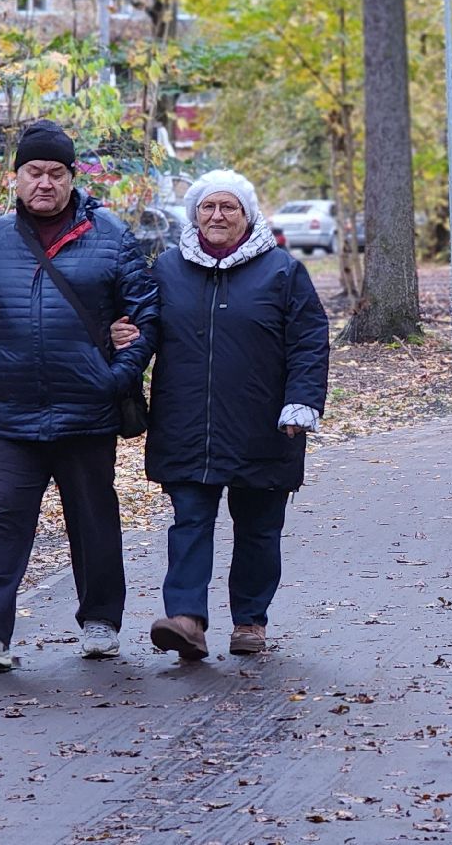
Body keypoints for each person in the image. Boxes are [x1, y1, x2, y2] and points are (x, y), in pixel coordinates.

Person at [0, 120, 160, 671]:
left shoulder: (110, 235)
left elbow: (148, 316)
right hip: (13, 415)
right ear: (17, 178)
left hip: (87, 412)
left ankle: (100, 622)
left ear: (72, 177)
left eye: (56, 173)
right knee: (4, 517)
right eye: (34, 172)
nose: (45, 183)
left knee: (93, 517)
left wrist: (117, 377)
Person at [110, 170, 329, 659]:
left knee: (258, 526)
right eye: (207, 207)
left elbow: (309, 341)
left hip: (264, 426)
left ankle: (250, 621)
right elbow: (143, 331)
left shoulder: (282, 271)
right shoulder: (167, 269)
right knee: (189, 520)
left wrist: (303, 401)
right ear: (194, 215)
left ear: (248, 214)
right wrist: (121, 342)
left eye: (228, 207)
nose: (217, 216)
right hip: (186, 423)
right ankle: (186, 619)